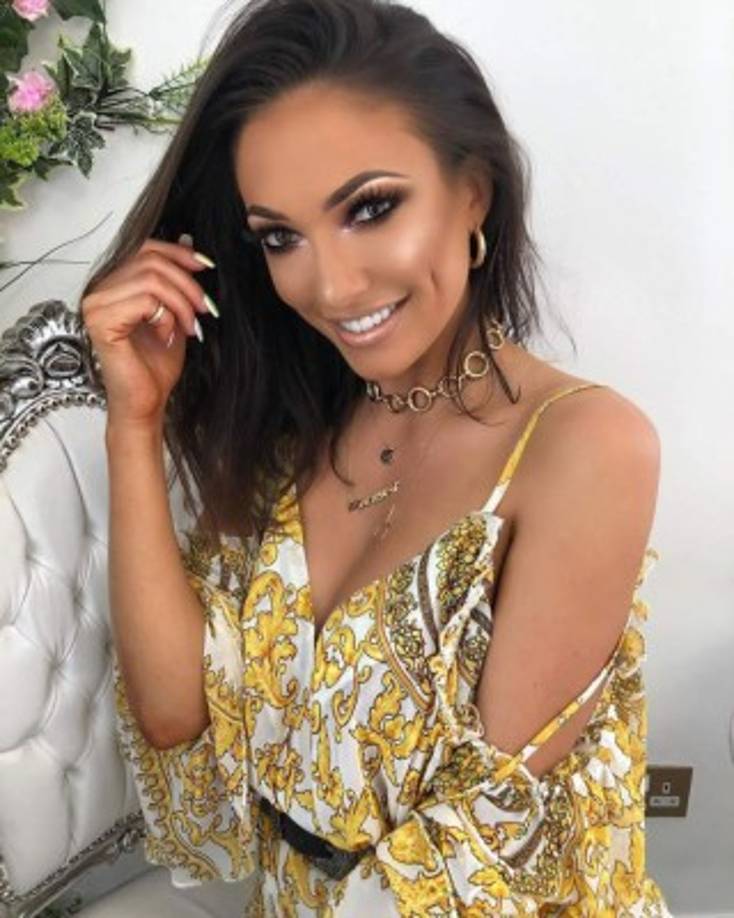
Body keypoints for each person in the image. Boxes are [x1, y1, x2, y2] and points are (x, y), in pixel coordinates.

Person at [80, 0, 672, 913]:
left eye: (371, 208)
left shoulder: (584, 448)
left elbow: (476, 846)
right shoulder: (294, 432)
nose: (330, 285)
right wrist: (135, 420)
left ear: (473, 192)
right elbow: (175, 716)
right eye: (280, 237)